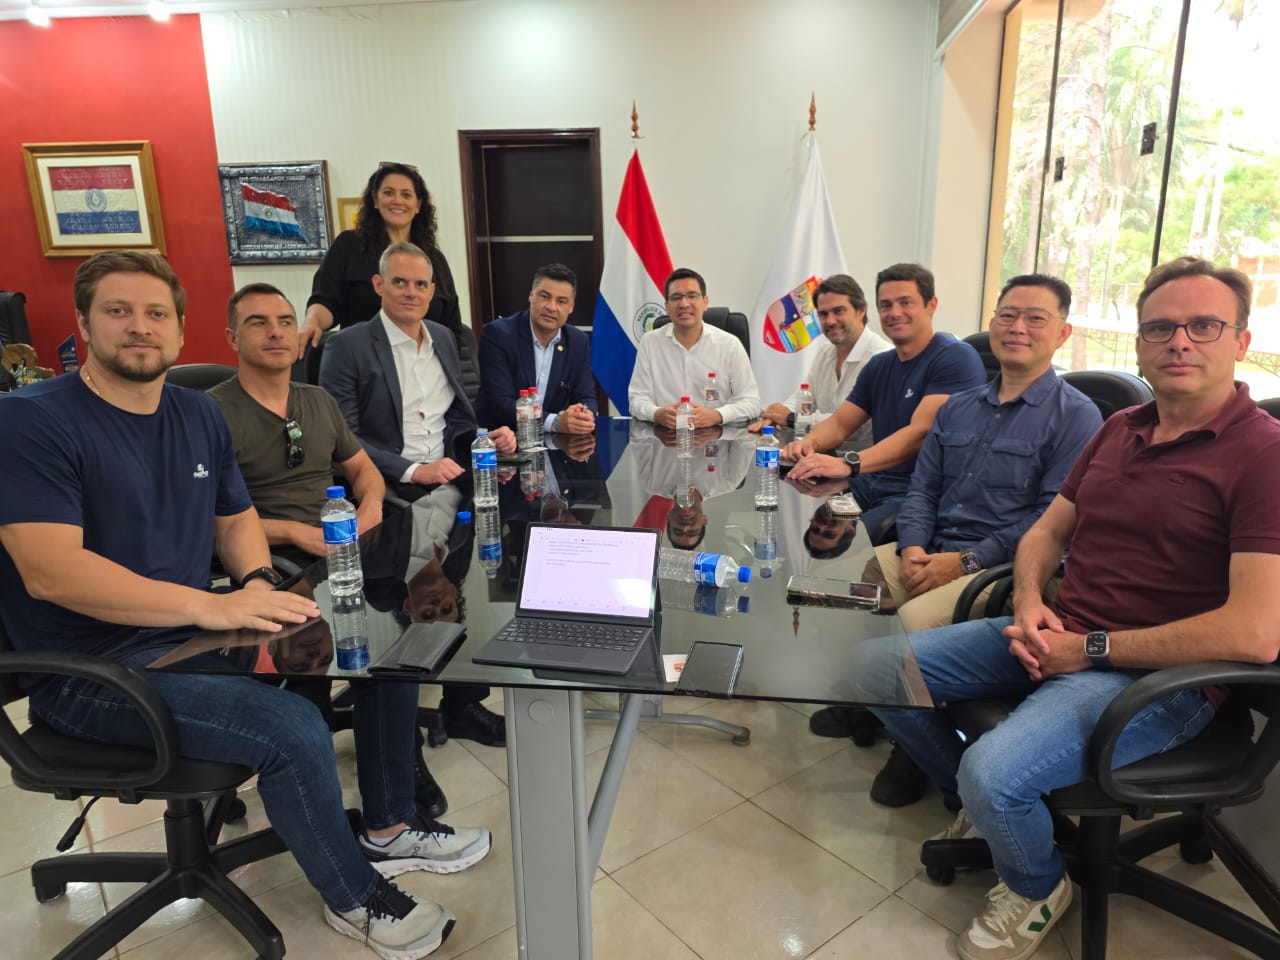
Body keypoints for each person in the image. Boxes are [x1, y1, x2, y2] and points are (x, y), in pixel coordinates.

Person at [0, 251, 492, 960]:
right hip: (92, 671)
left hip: (189, 634)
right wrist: (211, 607)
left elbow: (233, 519)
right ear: (84, 324)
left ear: (179, 328)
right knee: (293, 727)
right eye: (118, 311)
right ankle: (356, 897)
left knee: (386, 652)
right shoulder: (31, 421)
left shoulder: (195, 413)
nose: (139, 327)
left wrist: (258, 583)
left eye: (156, 313)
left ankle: (388, 827)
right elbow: (52, 573)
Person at [870, 256, 1280, 960]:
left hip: (1157, 677)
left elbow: (1255, 633)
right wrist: (1030, 602)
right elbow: (1045, 533)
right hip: (1059, 633)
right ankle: (989, 812)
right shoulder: (1120, 429)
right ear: (1141, 343)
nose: (1180, 342)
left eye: (1204, 326)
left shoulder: (1263, 457)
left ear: (1241, 341)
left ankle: (1036, 885)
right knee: (874, 671)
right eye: (1160, 328)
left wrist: (1087, 650)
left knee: (992, 771)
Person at [839, 274, 1103, 809]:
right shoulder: (958, 407)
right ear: (992, 323)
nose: (1017, 327)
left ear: (1062, 333)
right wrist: (913, 547)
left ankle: (929, 763)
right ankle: (880, 711)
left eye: (1035, 318)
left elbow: (1048, 522)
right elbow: (923, 488)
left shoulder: (1077, 417)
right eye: (1007, 315)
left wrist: (962, 562)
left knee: (909, 632)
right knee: (844, 592)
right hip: (931, 547)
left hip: (999, 568)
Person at [210, 281, 449, 817]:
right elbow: (204, 518)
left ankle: (396, 775)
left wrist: (369, 511)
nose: (276, 333)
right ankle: (330, 783)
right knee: (326, 657)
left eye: (285, 322)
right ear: (232, 337)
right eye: (257, 323)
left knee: (398, 642)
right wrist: (296, 534)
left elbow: (364, 472)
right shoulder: (212, 413)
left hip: (342, 548)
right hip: (271, 562)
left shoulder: (316, 400)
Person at [320, 241, 511, 746]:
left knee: (504, 536)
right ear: (378, 285)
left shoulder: (445, 337)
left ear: (432, 291)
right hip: (384, 492)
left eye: (420, 284)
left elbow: (457, 419)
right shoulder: (348, 346)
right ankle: (397, 734)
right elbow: (340, 436)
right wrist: (411, 469)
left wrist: (486, 439)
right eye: (399, 282)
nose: (410, 291)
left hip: (445, 487)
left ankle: (464, 705)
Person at [783, 263, 986, 536]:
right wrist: (809, 443)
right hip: (870, 482)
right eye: (886, 305)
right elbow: (840, 424)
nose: (894, 313)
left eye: (906, 303)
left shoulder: (955, 357)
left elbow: (919, 433)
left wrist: (847, 464)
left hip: (921, 492)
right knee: (804, 519)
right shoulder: (879, 365)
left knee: (854, 545)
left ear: (931, 305)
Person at [300, 162, 462, 353]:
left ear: (418, 205)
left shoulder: (434, 258)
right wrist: (312, 321)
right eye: (388, 193)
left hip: (424, 360)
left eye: (406, 195)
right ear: (375, 200)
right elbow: (326, 301)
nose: (397, 200)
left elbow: (452, 325)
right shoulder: (348, 245)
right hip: (362, 360)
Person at [750, 273, 892, 448]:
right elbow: (803, 397)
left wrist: (792, 418)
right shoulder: (825, 352)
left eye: (838, 311)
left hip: (864, 458)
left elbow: (857, 427)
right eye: (823, 314)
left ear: (860, 311)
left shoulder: (882, 357)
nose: (830, 321)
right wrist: (775, 416)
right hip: (822, 453)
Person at [628, 268, 761, 427]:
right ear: (667, 306)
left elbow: (751, 402)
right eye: (676, 297)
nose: (684, 304)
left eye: (692, 296)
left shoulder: (730, 345)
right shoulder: (650, 342)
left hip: (718, 436)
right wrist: (656, 413)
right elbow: (637, 399)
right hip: (666, 435)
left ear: (705, 302)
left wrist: (717, 415)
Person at [476, 263, 597, 435]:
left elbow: (586, 396)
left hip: (549, 442)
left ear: (571, 307)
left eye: (561, 301)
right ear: (531, 296)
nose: (551, 307)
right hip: (502, 439)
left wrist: (583, 416)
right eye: (545, 296)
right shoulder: (498, 335)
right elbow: (500, 403)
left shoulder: (577, 341)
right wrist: (554, 422)